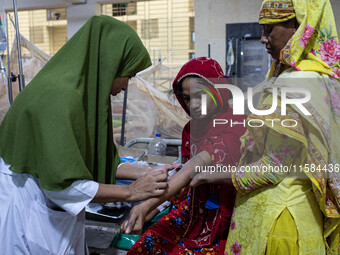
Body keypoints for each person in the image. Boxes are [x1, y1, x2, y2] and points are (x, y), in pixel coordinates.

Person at [0, 15, 175, 254]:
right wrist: (131, 191)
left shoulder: (86, 96)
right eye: (128, 76)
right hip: (30, 217)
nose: (125, 87)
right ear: (110, 62)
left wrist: (145, 174)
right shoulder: (59, 99)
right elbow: (64, 184)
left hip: (53, 213)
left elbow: (93, 159)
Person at [221, 0, 340, 254]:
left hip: (277, 222)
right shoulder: (327, 80)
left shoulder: (291, 85)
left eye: (269, 30)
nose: (263, 39)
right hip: (305, 219)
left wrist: (210, 175)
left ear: (299, 28)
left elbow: (273, 167)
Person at [122, 57, 247, 254]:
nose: (194, 105)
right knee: (146, 245)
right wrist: (153, 210)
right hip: (192, 212)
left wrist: (146, 205)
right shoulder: (191, 129)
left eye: (201, 96)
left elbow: (192, 168)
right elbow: (182, 182)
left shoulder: (235, 122)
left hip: (229, 217)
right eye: (188, 98)